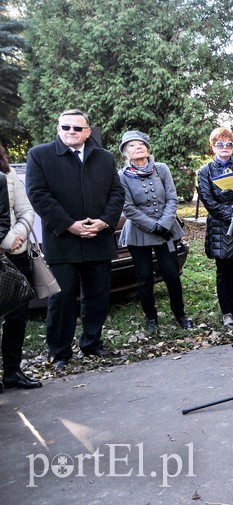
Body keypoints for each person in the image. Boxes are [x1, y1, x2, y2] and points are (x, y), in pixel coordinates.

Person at [26, 109, 125, 370]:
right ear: (58, 129)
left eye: (77, 128)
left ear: (88, 132)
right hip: (62, 241)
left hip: (98, 239)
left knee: (98, 296)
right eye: (66, 127)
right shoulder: (40, 155)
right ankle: (59, 352)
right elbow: (38, 195)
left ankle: (92, 344)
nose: (71, 131)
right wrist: (69, 225)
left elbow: (117, 193)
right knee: (62, 300)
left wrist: (104, 221)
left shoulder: (104, 157)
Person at [118, 131, 192, 332]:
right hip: (138, 232)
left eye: (141, 144)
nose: (138, 147)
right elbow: (127, 208)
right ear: (126, 152)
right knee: (144, 278)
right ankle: (151, 318)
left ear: (147, 148)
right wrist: (153, 226)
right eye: (131, 145)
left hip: (165, 230)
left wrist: (164, 224)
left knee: (171, 275)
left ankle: (180, 315)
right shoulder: (122, 176)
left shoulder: (161, 169)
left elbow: (172, 198)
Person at [1, 143, 40, 390]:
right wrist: (5, 240)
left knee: (17, 316)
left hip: (15, 254)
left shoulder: (9, 172)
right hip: (6, 245)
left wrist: (16, 236)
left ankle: (12, 372)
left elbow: (26, 210)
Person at [197, 127, 233, 327]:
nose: (225, 147)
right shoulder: (205, 171)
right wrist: (232, 213)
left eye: (229, 144)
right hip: (219, 227)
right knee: (223, 271)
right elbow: (208, 201)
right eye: (220, 144)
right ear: (213, 147)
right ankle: (227, 312)